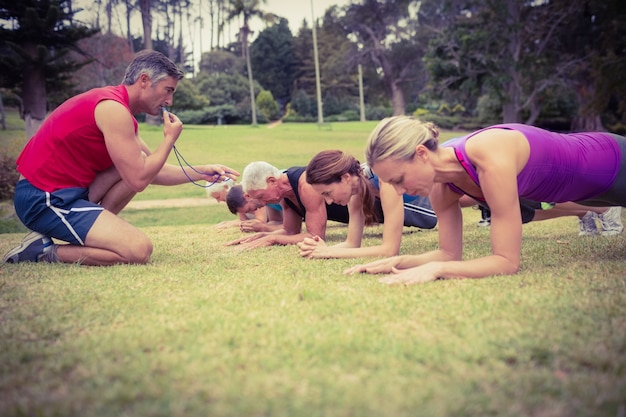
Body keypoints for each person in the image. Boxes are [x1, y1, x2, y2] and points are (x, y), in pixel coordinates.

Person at [3, 50, 239, 266]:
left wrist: (204, 171)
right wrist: (168, 140)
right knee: (138, 250)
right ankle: (42, 252)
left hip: (67, 195)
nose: (170, 101)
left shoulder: (121, 112)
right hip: (43, 199)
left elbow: (148, 169)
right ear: (144, 80)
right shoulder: (113, 109)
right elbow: (138, 179)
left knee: (134, 165)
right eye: (168, 90)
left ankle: (96, 235)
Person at [344, 116, 626, 285]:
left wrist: (437, 270)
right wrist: (398, 261)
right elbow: (448, 254)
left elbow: (506, 261)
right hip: (589, 193)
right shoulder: (443, 188)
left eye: (398, 179)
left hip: (613, 165)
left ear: (421, 154)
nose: (399, 191)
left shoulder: (488, 157)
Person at [226, 157, 438, 251]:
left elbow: (314, 237)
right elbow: (290, 231)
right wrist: (264, 234)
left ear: (272, 181)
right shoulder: (285, 194)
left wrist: (273, 240)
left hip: (384, 202)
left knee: (432, 216)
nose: (262, 203)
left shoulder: (303, 184)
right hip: (361, 209)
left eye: (261, 196)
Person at [296, 150, 437, 259]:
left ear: (345, 178)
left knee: (459, 200)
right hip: (437, 195)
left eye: (328, 193)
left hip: (444, 186)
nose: (329, 201)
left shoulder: (384, 178)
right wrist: (322, 248)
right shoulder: (356, 191)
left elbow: (389, 250)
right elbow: (352, 244)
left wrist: (328, 252)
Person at [214, 184, 283, 232]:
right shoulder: (267, 202)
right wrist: (255, 227)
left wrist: (264, 228)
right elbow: (276, 221)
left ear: (247, 196)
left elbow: (291, 228)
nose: (253, 212)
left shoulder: (279, 193)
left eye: (249, 209)